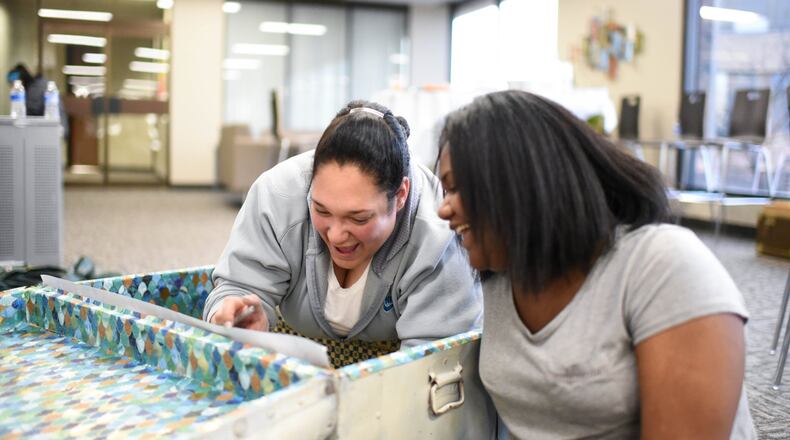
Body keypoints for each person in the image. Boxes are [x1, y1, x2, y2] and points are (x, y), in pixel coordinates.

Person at [436, 90, 755, 438]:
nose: (443, 209)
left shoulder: (663, 266)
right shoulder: (501, 278)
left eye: (455, 189)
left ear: (520, 182)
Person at [204, 100, 482, 349]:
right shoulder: (277, 195)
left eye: (359, 218)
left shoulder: (436, 234)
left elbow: (430, 365)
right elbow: (236, 288)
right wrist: (234, 316)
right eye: (321, 209)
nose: (336, 235)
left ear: (400, 196)